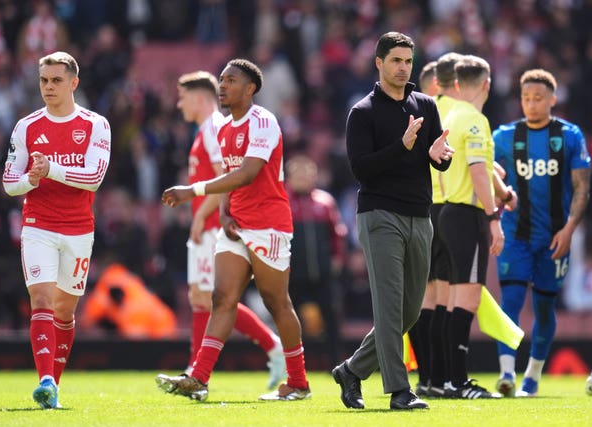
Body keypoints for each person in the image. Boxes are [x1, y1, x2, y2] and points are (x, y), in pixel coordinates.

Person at [159, 59, 310, 402]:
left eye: (231, 80)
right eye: (222, 80)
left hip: (268, 224)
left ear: (250, 88)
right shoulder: (224, 128)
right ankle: (199, 377)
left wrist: (192, 191)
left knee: (276, 302)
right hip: (236, 225)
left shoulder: (263, 121)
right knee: (222, 297)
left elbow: (247, 174)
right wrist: (225, 212)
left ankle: (299, 382)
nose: (223, 86)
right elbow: (230, 177)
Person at [331, 31, 453, 411]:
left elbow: (436, 156)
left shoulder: (426, 105)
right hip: (379, 214)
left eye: (408, 61)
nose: (403, 67)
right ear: (379, 63)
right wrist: (401, 146)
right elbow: (362, 171)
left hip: (420, 214)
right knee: (388, 308)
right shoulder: (362, 112)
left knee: (409, 312)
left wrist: (439, 157)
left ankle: (351, 370)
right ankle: (400, 391)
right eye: (396, 60)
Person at [1, 51, 111, 409]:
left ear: (73, 83)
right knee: (42, 300)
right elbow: (9, 181)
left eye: (56, 80)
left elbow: (94, 178)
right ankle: (45, 380)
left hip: (79, 230)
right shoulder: (27, 126)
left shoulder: (96, 124)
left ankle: (54, 387)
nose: (48, 87)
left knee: (65, 311)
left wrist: (50, 171)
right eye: (44, 80)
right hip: (38, 226)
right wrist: (28, 180)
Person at [492, 69, 591, 397]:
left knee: (545, 308)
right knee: (512, 300)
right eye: (526, 98)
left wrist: (569, 229)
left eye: (538, 98)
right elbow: (486, 174)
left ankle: (532, 378)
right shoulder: (504, 137)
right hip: (515, 235)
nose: (531, 104)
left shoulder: (569, 135)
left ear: (552, 99)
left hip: (554, 238)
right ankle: (507, 374)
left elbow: (582, 187)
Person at [438, 55, 509, 399]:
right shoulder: (476, 120)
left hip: (449, 211)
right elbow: (479, 170)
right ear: (486, 84)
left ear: (454, 85)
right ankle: (459, 382)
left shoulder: (452, 116)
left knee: (454, 300)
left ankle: (449, 380)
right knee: (465, 300)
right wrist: (494, 218)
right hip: (468, 215)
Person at [409, 54, 462, 397]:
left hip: (419, 211)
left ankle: (427, 379)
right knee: (444, 297)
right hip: (444, 210)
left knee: (424, 300)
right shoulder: (448, 116)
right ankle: (442, 378)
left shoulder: (412, 115)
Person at [285, 154, 348, 366]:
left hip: (322, 272)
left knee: (331, 316)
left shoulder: (325, 202)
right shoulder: (283, 201)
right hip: (293, 274)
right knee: (290, 319)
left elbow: (337, 233)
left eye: (307, 173)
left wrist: (337, 258)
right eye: (298, 173)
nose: (303, 177)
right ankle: (294, 364)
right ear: (289, 177)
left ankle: (335, 362)